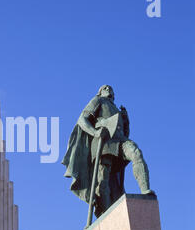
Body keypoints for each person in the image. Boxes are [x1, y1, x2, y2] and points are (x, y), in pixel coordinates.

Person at [62, 85, 155, 218]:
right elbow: (82, 120)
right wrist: (95, 132)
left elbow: (125, 133)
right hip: (104, 143)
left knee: (136, 154)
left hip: (120, 140)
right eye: (105, 87)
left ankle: (145, 190)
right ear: (100, 92)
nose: (108, 89)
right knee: (103, 182)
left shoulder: (117, 109)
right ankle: (105, 215)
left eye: (110, 88)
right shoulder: (98, 100)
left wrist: (126, 121)